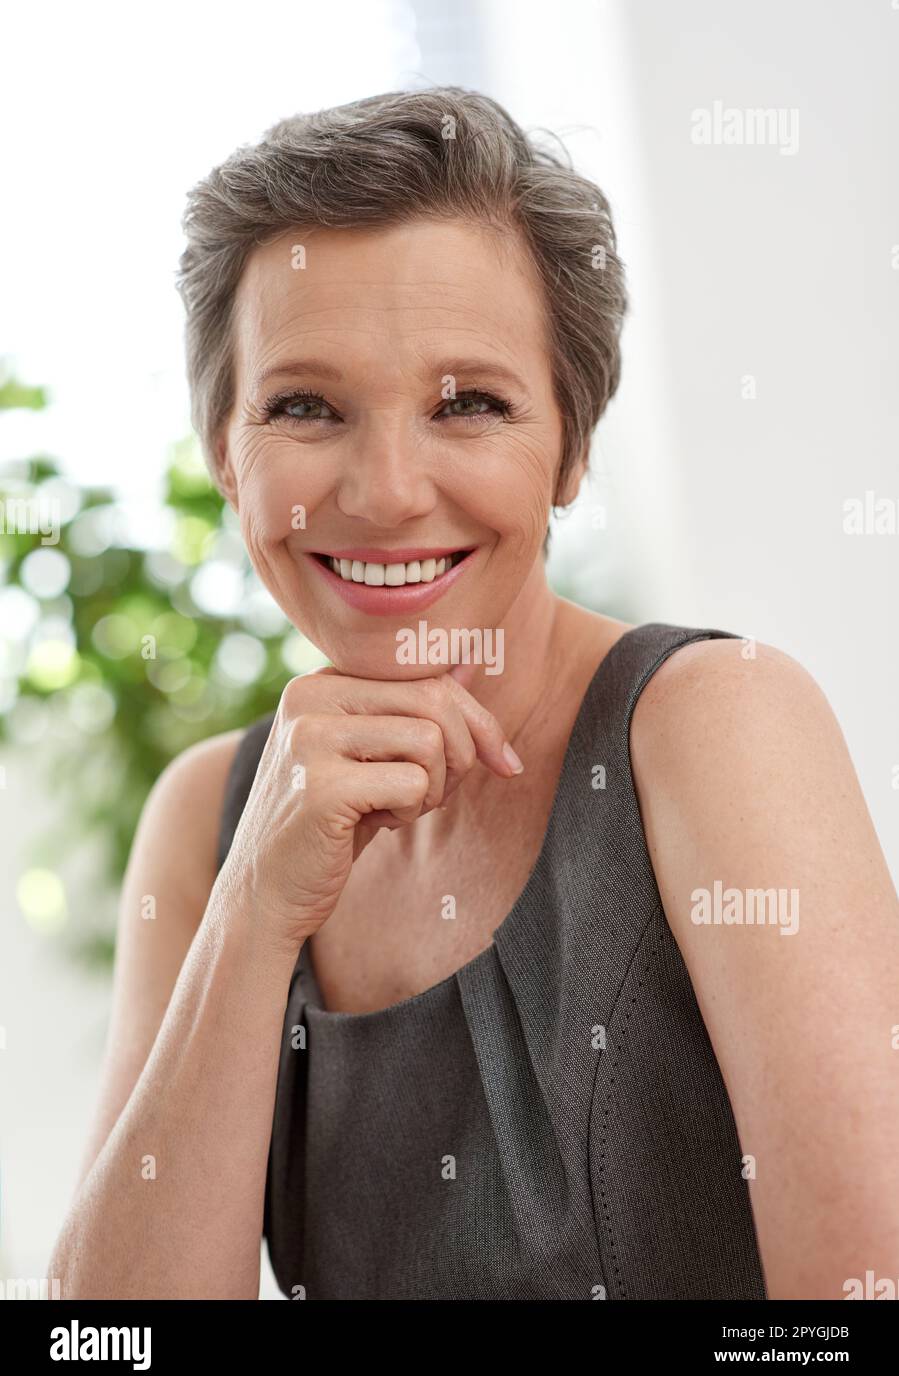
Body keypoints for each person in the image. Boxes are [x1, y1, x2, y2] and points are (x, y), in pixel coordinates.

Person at [49, 86, 899, 1300]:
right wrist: (250, 913)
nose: (388, 490)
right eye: (303, 405)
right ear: (223, 455)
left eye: (469, 404)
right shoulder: (206, 817)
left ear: (569, 444)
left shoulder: (711, 724)